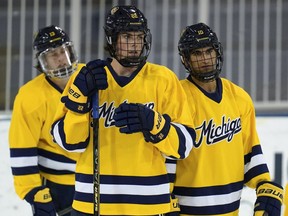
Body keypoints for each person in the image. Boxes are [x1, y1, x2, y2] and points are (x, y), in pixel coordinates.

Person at [50, 5, 196, 216]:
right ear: (112, 39)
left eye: (139, 37)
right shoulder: (86, 76)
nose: (135, 44)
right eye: (127, 36)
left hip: (150, 206)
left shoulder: (163, 79)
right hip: (90, 205)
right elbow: (67, 143)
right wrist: (79, 103)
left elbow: (184, 146)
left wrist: (155, 123)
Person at [172, 22, 284, 215]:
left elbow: (250, 152)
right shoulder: (176, 96)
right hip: (185, 211)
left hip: (232, 211)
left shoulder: (239, 97)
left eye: (209, 51)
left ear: (217, 53)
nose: (205, 58)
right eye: (197, 54)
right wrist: (164, 201)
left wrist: (264, 184)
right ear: (186, 59)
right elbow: (167, 156)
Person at [9, 25, 83, 216]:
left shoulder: (91, 78)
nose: (61, 58)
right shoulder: (29, 96)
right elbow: (22, 149)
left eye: (63, 51)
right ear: (42, 61)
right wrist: (33, 192)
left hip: (97, 180)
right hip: (56, 187)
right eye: (53, 55)